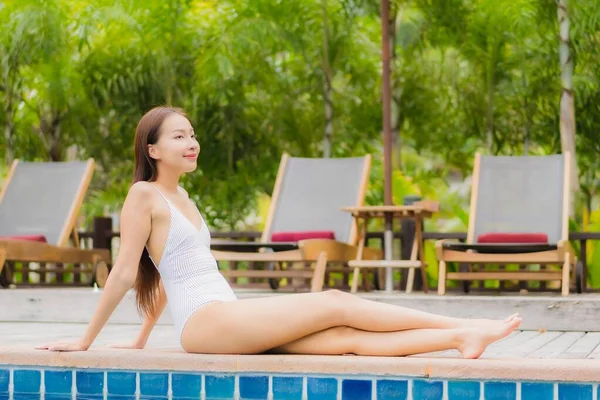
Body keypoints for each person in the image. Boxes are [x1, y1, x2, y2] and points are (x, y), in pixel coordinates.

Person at [36, 106, 522, 359]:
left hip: (222, 317)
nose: (192, 142)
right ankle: (470, 323)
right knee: (334, 299)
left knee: (342, 339)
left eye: (192, 134)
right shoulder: (143, 194)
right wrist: (85, 340)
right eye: (179, 136)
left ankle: (460, 339)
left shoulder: (183, 199)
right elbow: (124, 273)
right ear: (153, 148)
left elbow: (164, 273)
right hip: (208, 323)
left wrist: (142, 339)